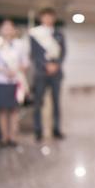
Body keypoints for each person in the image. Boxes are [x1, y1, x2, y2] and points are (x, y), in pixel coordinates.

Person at [0, 19, 29, 147]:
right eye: (5, 27)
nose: (8, 29)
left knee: (14, 110)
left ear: (15, 30)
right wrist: (3, 70)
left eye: (10, 27)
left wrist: (16, 70)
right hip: (0, 80)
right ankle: (4, 137)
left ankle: (13, 137)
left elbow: (25, 63)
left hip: (15, 81)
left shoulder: (20, 45)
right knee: (2, 110)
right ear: (0, 29)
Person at [29, 8, 66, 142]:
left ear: (54, 18)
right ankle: (38, 130)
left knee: (56, 102)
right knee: (38, 102)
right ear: (41, 18)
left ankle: (56, 129)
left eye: (51, 16)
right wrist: (46, 65)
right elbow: (34, 54)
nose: (48, 19)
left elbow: (63, 53)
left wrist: (56, 64)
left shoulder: (59, 34)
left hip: (56, 73)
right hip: (41, 73)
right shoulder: (35, 34)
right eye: (45, 16)